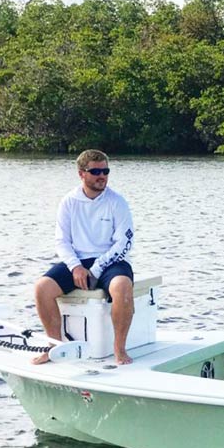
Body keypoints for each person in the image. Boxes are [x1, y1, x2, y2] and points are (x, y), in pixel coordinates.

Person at [32, 149, 135, 365]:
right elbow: (62, 241)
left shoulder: (117, 202)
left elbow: (124, 243)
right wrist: (75, 267)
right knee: (42, 288)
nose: (102, 176)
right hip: (78, 261)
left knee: (122, 287)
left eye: (105, 171)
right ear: (82, 174)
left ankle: (119, 350)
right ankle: (54, 347)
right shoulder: (68, 202)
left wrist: (96, 269)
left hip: (110, 261)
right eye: (96, 171)